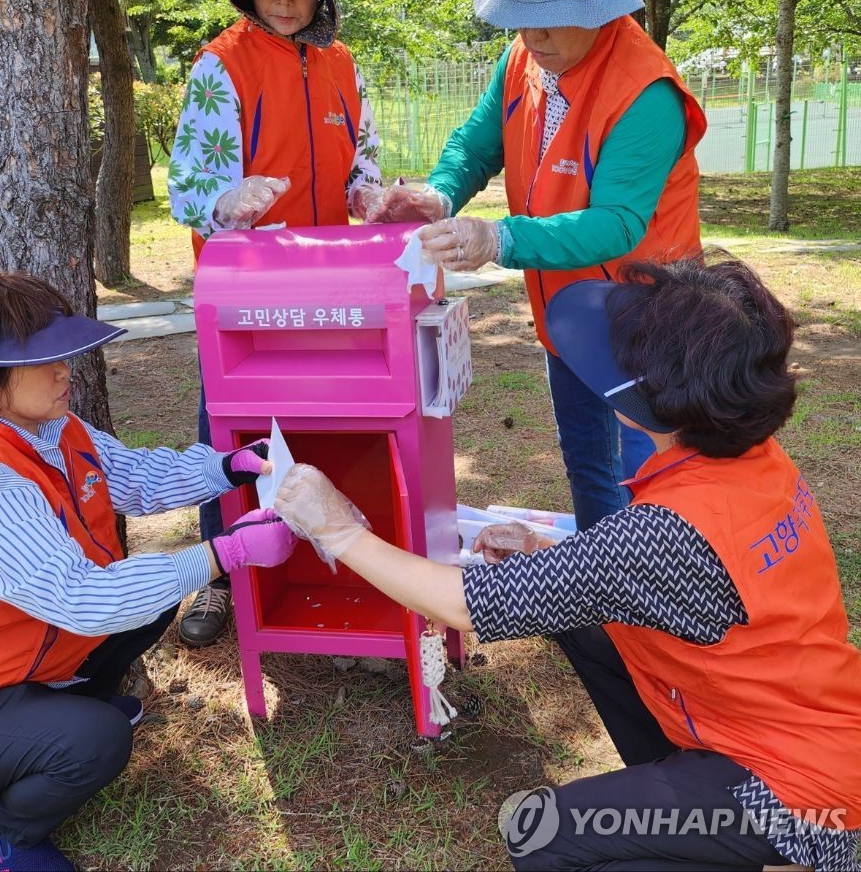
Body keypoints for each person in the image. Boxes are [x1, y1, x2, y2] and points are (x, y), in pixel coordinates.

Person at [276, 256, 861, 871]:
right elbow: (668, 580)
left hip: (799, 798)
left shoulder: (666, 533)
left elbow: (458, 604)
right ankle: (685, 791)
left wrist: (338, 531)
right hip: (810, 726)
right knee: (579, 618)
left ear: (656, 401)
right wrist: (541, 555)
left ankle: (776, 858)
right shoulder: (757, 458)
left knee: (541, 835)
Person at [0, 272, 297, 872]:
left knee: (147, 604)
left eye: (65, 352)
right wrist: (223, 554)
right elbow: (81, 598)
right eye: (45, 359)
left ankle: (63, 707)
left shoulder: (53, 428)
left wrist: (228, 467)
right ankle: (4, 832)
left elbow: (136, 477)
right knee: (99, 741)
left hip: (21, 661)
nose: (66, 369)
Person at [370, 0, 707, 536]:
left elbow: (618, 224)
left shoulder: (646, 91)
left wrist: (500, 238)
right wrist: (440, 197)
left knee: (652, 475)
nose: (532, 31)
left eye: (551, 12)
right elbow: (476, 145)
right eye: (520, 11)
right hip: (567, 310)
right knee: (587, 463)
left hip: (646, 317)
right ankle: (601, 601)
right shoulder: (524, 56)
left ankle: (645, 617)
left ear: (598, 5)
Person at [168, 0, 385, 647]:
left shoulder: (342, 66)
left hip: (327, 286)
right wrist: (224, 204)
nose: (284, 2)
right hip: (243, 293)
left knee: (324, 421)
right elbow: (188, 187)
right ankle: (216, 580)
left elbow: (364, 157)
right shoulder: (220, 65)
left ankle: (326, 560)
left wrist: (368, 195)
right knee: (228, 432)